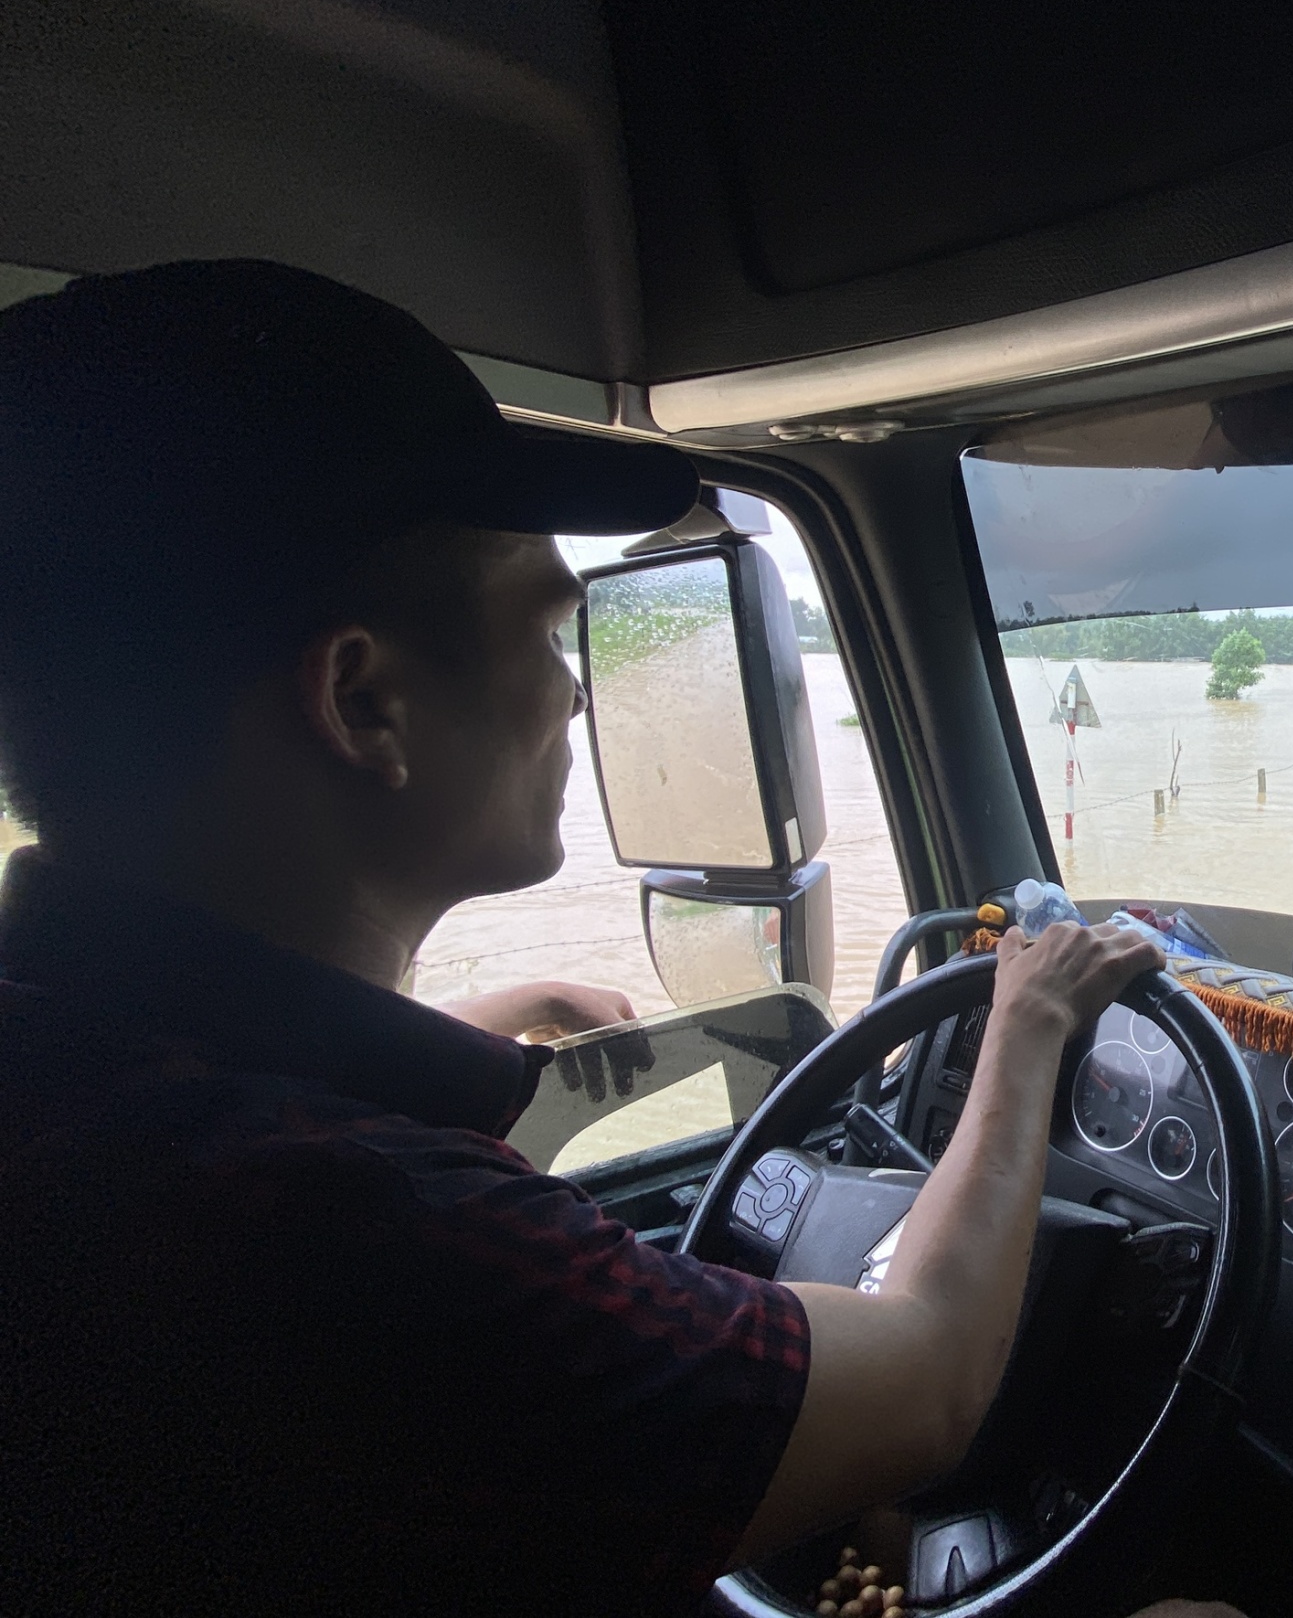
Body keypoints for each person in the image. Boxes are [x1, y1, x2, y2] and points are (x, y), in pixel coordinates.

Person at [0, 262, 1229, 1617]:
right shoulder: (390, 1246)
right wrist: (1029, 1020)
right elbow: (932, 1372)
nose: (575, 692)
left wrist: (455, 1035)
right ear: (365, 702)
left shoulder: (79, 1067)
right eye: (546, 626)